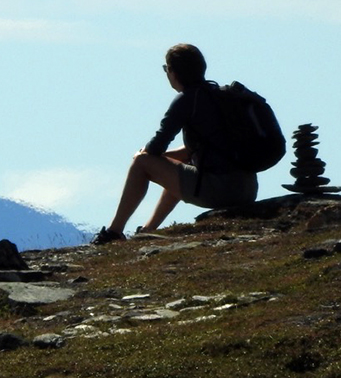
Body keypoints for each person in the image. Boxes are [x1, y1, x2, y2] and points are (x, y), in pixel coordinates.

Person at [93, 43, 258, 244]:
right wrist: (162, 161)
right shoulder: (219, 95)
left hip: (220, 190)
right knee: (177, 169)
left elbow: (156, 147)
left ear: (173, 72)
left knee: (141, 163)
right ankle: (148, 230)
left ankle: (114, 232)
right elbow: (192, 151)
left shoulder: (187, 100)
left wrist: (143, 157)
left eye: (166, 69)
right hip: (247, 188)